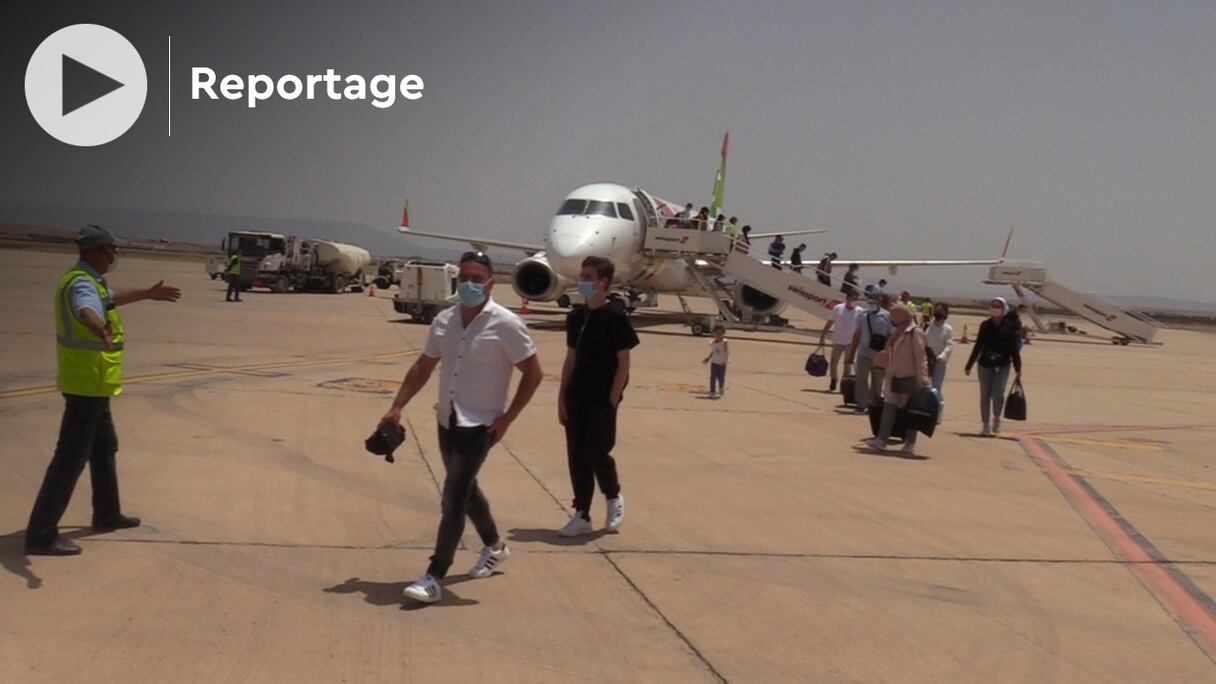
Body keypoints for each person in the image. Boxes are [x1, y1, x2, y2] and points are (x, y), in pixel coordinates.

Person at [387, 251, 544, 604]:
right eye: (465, 278)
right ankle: (495, 546)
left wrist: (507, 419)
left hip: (481, 426)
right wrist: (397, 406)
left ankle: (434, 575)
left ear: (491, 282)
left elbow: (533, 374)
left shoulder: (506, 324)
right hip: (448, 420)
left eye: (477, 278)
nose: (470, 284)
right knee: (466, 489)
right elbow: (423, 367)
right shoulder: (444, 321)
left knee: (453, 498)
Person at [25, 225, 182, 556]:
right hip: (86, 384)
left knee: (104, 446)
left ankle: (107, 513)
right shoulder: (82, 283)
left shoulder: (89, 280)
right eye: (111, 249)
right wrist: (99, 329)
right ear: (97, 250)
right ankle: (40, 534)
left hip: (93, 384)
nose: (114, 255)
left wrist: (146, 294)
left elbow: (107, 299)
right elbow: (88, 309)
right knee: (69, 459)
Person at [558, 256, 639, 537]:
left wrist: (613, 398)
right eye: (582, 276)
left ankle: (613, 497)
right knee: (576, 456)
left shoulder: (615, 316)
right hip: (576, 397)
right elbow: (570, 359)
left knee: (596, 451)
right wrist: (561, 398)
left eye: (588, 277)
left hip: (602, 399)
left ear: (603, 282)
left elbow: (624, 363)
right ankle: (581, 513)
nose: (582, 281)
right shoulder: (576, 317)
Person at [865, 306, 931, 455]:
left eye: (894, 316)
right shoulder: (896, 333)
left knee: (910, 410)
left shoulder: (915, 333)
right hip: (893, 375)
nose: (892, 319)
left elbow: (921, 358)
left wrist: (923, 380)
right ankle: (882, 439)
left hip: (910, 378)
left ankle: (910, 442)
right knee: (889, 407)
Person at [964, 297, 1023, 437]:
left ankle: (996, 417)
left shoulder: (1009, 326)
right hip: (985, 364)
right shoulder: (985, 325)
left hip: (1002, 364)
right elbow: (978, 345)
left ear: (1004, 309)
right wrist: (969, 364)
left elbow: (1014, 349)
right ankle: (985, 425)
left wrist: (1018, 368)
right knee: (985, 395)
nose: (995, 309)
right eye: (993, 306)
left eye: (998, 306)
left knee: (997, 394)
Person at [851, 293, 893, 414]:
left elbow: (891, 335)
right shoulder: (862, 315)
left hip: (879, 354)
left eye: (873, 302)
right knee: (861, 378)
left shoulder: (886, 315)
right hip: (864, 352)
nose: (871, 305)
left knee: (877, 380)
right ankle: (861, 403)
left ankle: (873, 403)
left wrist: (888, 352)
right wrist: (852, 352)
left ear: (878, 302)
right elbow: (857, 333)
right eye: (869, 303)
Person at [819, 290, 862, 392]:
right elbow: (830, 322)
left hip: (850, 341)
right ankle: (834, 380)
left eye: (857, 298)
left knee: (847, 364)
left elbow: (861, 327)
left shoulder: (859, 311)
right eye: (854, 298)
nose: (856, 300)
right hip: (838, 339)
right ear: (848, 297)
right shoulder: (838, 308)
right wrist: (823, 335)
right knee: (834, 362)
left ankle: (844, 384)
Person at [925, 303, 955, 423]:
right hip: (926, 361)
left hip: (939, 362)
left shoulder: (947, 329)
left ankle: (938, 414)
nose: (938, 312)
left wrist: (942, 356)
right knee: (925, 387)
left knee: (936, 388)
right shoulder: (927, 326)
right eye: (936, 310)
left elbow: (949, 345)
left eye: (940, 310)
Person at [702, 324, 729, 397]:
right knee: (713, 378)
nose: (718, 335)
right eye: (716, 333)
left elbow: (726, 352)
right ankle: (712, 391)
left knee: (721, 378)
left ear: (723, 334)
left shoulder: (724, 342)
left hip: (722, 363)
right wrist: (708, 358)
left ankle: (721, 387)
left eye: (720, 334)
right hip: (714, 362)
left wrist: (725, 360)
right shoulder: (713, 342)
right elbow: (713, 351)